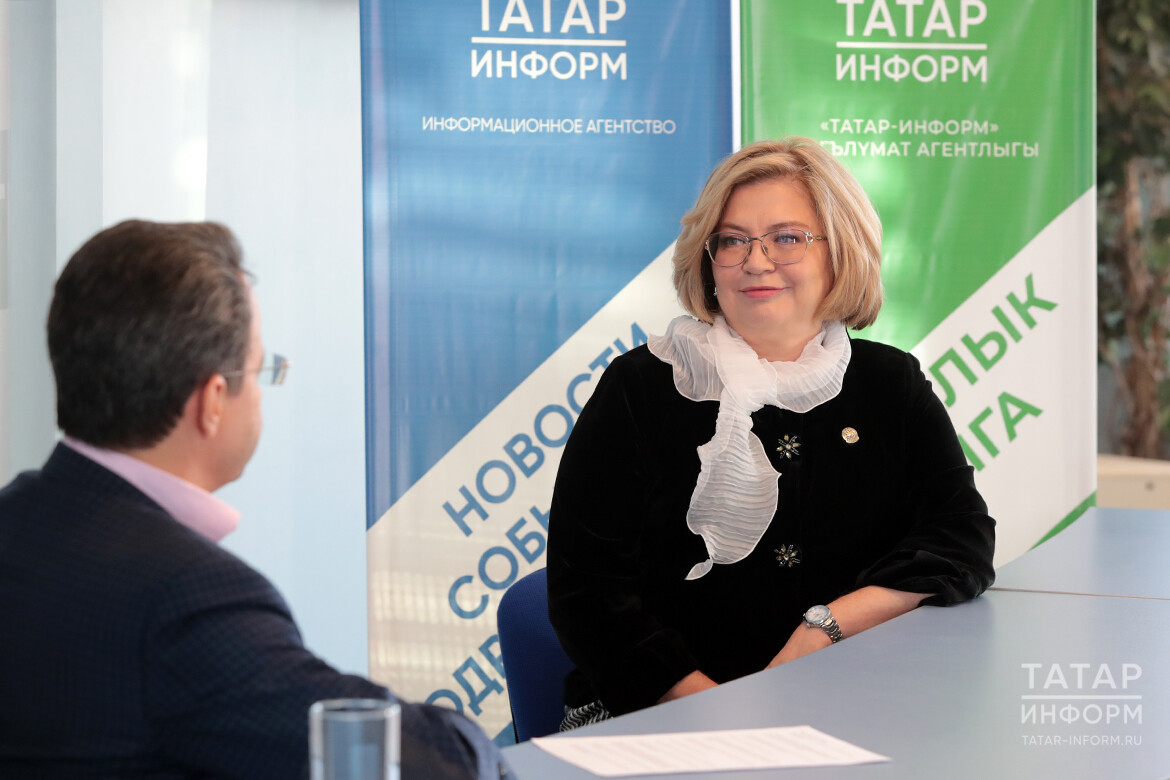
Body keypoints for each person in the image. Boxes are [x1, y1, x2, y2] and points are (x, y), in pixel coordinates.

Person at [0, 221, 513, 779]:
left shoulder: (16, 518)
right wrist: (471, 743)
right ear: (213, 401)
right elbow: (428, 763)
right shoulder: (186, 599)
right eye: (262, 369)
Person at [546, 138, 996, 727]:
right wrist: (724, 716)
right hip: (658, 713)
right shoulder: (640, 386)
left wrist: (825, 628)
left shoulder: (889, 382)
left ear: (841, 251)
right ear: (708, 260)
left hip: (852, 699)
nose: (756, 262)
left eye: (787, 238)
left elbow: (961, 537)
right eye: (732, 240)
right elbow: (587, 597)